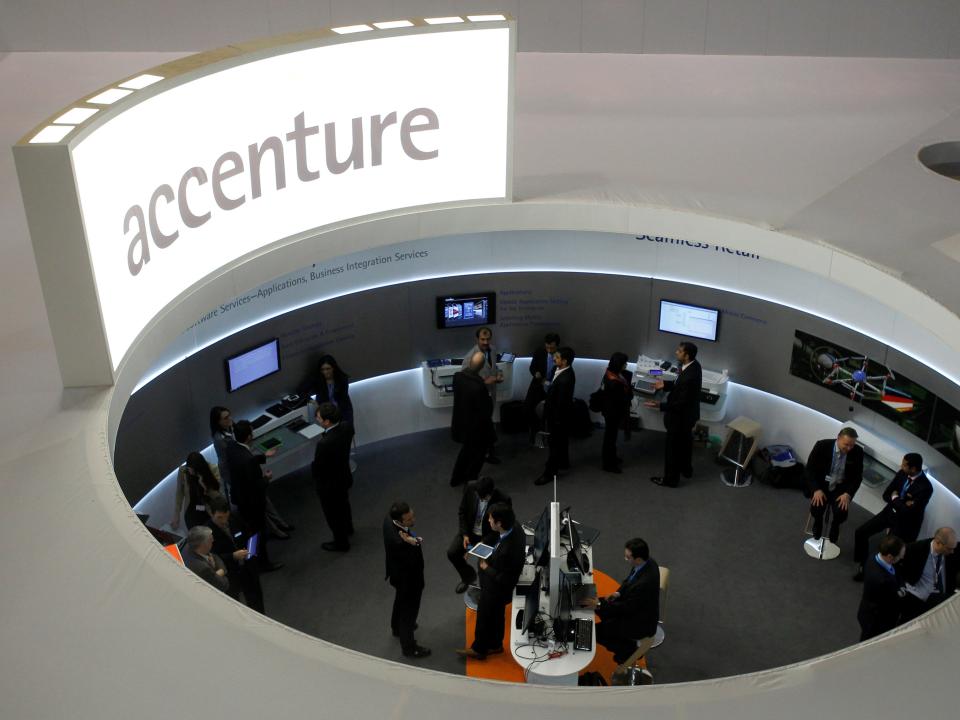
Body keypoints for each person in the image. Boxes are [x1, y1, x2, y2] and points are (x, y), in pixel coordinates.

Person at [209, 405, 293, 539]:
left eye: (229, 415)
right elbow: (230, 462)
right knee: (258, 506)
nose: (230, 419)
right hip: (238, 477)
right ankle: (276, 530)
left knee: (264, 500)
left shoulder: (232, 428)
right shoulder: (220, 440)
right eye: (225, 418)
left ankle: (280, 523)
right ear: (218, 422)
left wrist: (261, 457)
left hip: (247, 470)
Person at [456, 502, 526, 659]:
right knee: (497, 614)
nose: (488, 521)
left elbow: (505, 578)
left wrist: (486, 568)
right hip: (499, 585)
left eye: (490, 519)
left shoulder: (507, 550)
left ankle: (479, 649)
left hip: (496, 588)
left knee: (484, 616)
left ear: (499, 523)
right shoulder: (514, 526)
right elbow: (496, 538)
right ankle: (495, 645)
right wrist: (483, 544)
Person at [853, 453, 932, 581]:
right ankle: (861, 560)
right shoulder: (902, 473)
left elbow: (908, 512)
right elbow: (886, 495)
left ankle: (867, 571)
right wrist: (902, 503)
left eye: (904, 465)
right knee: (861, 532)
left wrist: (895, 498)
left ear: (913, 469)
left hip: (906, 523)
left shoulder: (926, 487)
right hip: (890, 513)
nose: (901, 466)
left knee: (887, 550)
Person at [584, 537, 660, 664]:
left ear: (638, 559)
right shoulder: (647, 562)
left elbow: (626, 608)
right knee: (600, 606)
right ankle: (611, 628)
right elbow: (630, 579)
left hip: (638, 621)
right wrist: (617, 593)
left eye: (628, 557)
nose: (626, 560)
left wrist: (598, 605)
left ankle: (627, 650)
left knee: (597, 632)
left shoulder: (644, 584)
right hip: (632, 605)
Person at [226, 420, 282, 572]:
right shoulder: (248, 459)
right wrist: (267, 478)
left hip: (241, 499)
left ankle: (252, 558)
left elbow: (245, 461)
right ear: (249, 436)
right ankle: (262, 563)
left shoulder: (231, 447)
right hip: (253, 503)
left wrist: (263, 456)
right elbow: (256, 486)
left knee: (251, 532)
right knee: (258, 533)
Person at [645, 342, 702, 487]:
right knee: (685, 443)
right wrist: (665, 384)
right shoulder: (694, 366)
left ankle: (670, 479)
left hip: (679, 418)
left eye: (679, 351)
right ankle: (686, 470)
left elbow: (680, 402)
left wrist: (660, 405)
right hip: (689, 416)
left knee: (673, 449)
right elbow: (678, 383)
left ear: (687, 355)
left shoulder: (689, 377)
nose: (676, 352)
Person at [447, 476, 512, 594]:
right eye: (479, 497)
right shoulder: (471, 487)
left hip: (488, 536)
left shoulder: (503, 500)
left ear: (491, 493)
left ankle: (486, 591)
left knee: (483, 565)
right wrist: (465, 534)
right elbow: (462, 512)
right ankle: (468, 577)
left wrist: (484, 541)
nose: (481, 500)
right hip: (470, 532)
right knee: (452, 553)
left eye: (484, 498)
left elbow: (501, 528)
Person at [383, 501, 430, 659]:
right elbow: (408, 550)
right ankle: (409, 648)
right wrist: (410, 541)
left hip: (397, 576)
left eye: (412, 516)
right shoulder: (400, 542)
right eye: (409, 520)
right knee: (408, 613)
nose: (413, 520)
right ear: (399, 521)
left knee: (399, 601)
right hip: (409, 581)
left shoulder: (388, 521)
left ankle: (396, 628)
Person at [804, 427, 864, 545]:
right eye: (846, 445)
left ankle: (835, 525)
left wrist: (848, 493)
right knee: (817, 506)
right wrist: (816, 489)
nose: (849, 448)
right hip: (821, 485)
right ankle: (818, 521)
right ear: (838, 438)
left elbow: (857, 477)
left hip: (841, 488)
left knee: (841, 511)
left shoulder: (857, 451)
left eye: (852, 445)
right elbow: (809, 470)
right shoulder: (822, 446)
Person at [206, 495, 265, 614]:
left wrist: (250, 553)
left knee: (257, 603)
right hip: (229, 576)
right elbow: (212, 558)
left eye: (225, 517)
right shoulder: (206, 532)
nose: (223, 521)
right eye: (219, 518)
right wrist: (232, 556)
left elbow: (250, 536)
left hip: (248, 568)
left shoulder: (235, 517)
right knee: (234, 608)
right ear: (211, 514)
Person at [311, 402, 355, 552]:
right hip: (344, 476)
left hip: (329, 486)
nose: (316, 419)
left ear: (327, 421)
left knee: (333, 515)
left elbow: (317, 468)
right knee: (344, 505)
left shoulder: (324, 444)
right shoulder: (346, 427)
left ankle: (341, 543)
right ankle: (348, 529)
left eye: (318, 417)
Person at [450, 351, 496, 487]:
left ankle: (456, 478)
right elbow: (486, 410)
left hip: (461, 424)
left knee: (465, 452)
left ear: (469, 362)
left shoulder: (457, 377)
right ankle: (470, 482)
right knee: (478, 456)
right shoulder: (479, 387)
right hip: (477, 429)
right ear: (482, 367)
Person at [534, 346, 576, 486]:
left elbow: (560, 404)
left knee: (554, 444)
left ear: (564, 361)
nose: (553, 358)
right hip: (556, 414)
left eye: (557, 357)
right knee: (561, 441)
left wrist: (555, 421)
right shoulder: (558, 370)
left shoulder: (566, 380)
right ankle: (563, 463)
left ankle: (549, 473)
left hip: (557, 417)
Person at [461, 326, 503, 464]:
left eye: (488, 339)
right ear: (477, 339)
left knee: (487, 423)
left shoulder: (493, 349)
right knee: (483, 425)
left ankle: (488, 451)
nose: (485, 342)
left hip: (491, 394)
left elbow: (494, 367)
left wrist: (498, 374)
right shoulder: (470, 357)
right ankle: (486, 453)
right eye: (482, 339)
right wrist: (485, 382)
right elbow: (466, 382)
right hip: (479, 398)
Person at [898, 527, 958, 623]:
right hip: (917, 599)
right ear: (938, 542)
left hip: (942, 599)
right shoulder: (915, 549)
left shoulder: (953, 552)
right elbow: (897, 568)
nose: (952, 552)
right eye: (949, 549)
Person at [857, 534, 905, 641]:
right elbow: (893, 600)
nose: (902, 559)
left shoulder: (875, 555)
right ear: (890, 557)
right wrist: (901, 591)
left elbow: (896, 572)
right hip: (876, 620)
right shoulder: (881, 580)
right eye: (900, 557)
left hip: (868, 610)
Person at [172, 451, 223, 531]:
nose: (190, 472)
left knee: (212, 534)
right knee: (198, 536)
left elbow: (217, 494)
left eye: (192, 470)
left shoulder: (213, 469)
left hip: (208, 510)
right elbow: (179, 493)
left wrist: (203, 484)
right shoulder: (183, 471)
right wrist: (177, 514)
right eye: (189, 468)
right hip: (193, 510)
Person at [600, 351, 633, 474]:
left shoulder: (611, 373)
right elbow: (622, 398)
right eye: (625, 363)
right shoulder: (614, 382)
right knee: (610, 438)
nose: (626, 365)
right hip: (613, 413)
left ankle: (612, 457)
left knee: (611, 437)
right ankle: (608, 464)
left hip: (610, 411)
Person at [524, 332, 561, 443]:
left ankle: (549, 435)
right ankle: (536, 429)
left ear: (557, 346)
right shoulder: (539, 352)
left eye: (552, 348)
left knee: (551, 413)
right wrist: (535, 373)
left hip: (552, 388)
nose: (549, 350)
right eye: (547, 347)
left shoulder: (561, 355)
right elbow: (532, 367)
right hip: (538, 385)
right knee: (527, 409)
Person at [182, 525, 230, 594]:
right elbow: (224, 584)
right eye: (211, 540)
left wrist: (216, 575)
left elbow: (214, 556)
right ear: (203, 544)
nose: (213, 540)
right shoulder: (203, 568)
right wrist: (221, 570)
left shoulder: (189, 545)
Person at [312, 354, 354, 424]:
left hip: (342, 410)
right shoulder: (318, 380)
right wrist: (310, 400)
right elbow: (301, 390)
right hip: (325, 412)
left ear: (333, 368)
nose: (325, 372)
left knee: (346, 431)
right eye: (322, 370)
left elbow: (343, 398)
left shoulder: (342, 379)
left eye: (328, 369)